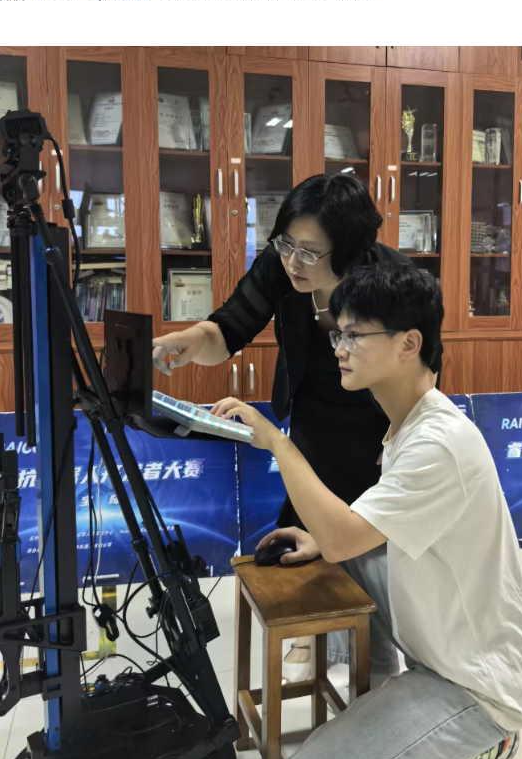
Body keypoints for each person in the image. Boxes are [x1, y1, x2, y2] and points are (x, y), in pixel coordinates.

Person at [210, 264, 522, 759]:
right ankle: (390, 707)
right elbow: (354, 535)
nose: (339, 349)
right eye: (337, 334)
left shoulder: (438, 442)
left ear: (409, 344)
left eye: (354, 335)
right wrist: (322, 541)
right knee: (340, 553)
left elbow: (346, 534)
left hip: (477, 685)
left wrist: (277, 443)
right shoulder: (406, 427)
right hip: (437, 655)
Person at [152, 174, 442, 682]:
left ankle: (372, 659)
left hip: (377, 424)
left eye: (310, 252)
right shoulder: (280, 267)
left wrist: (400, 436)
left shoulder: (389, 281)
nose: (293, 262)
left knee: (369, 552)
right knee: (309, 531)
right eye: (286, 244)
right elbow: (228, 328)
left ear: (349, 250)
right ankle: (318, 632)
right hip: (312, 411)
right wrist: (192, 340)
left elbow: (426, 366)